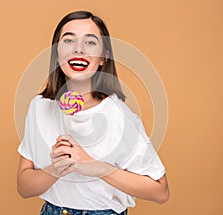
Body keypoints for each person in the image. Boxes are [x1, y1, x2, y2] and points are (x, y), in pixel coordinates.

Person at [17, 10, 169, 215]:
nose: (78, 49)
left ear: (103, 58)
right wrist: (56, 168)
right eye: (68, 40)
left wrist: (93, 166)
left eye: (90, 42)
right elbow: (24, 188)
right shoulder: (39, 107)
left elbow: (160, 192)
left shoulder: (119, 116)